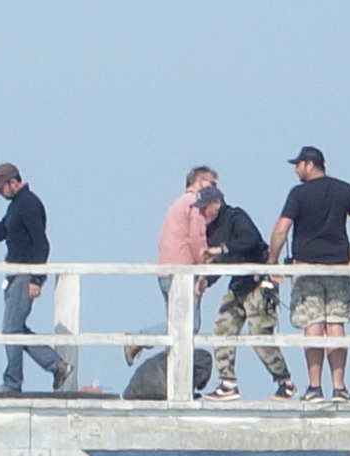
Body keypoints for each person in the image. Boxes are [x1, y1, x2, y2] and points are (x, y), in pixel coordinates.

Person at [266, 146, 350, 402]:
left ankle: (314, 387)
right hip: (338, 266)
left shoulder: (299, 194)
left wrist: (272, 261)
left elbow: (282, 229)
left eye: (298, 164)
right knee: (336, 324)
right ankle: (339, 388)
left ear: (310, 164)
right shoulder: (343, 189)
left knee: (312, 325)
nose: (295, 169)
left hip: (306, 268)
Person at [0, 163, 71, 393]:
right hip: (15, 274)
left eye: (1, 188)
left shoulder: (28, 204)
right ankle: (56, 365)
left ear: (13, 182)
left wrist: (36, 279)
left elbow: (42, 244)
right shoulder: (16, 207)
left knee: (11, 331)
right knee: (16, 329)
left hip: (25, 274)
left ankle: (13, 383)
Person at [201, 188, 295, 401]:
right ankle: (228, 384)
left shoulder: (236, 216)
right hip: (239, 283)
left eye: (205, 207)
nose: (203, 212)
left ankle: (285, 382)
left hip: (260, 280)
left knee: (260, 335)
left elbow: (251, 240)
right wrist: (206, 281)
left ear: (217, 203)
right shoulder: (211, 229)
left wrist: (221, 249)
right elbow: (222, 263)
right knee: (222, 329)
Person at [125, 167, 219, 366]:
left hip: (166, 270)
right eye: (212, 183)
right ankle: (138, 339)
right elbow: (197, 239)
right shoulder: (194, 203)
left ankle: (172, 375)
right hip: (182, 271)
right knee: (188, 325)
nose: (216, 190)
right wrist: (202, 270)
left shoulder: (177, 204)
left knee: (178, 327)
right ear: (201, 181)